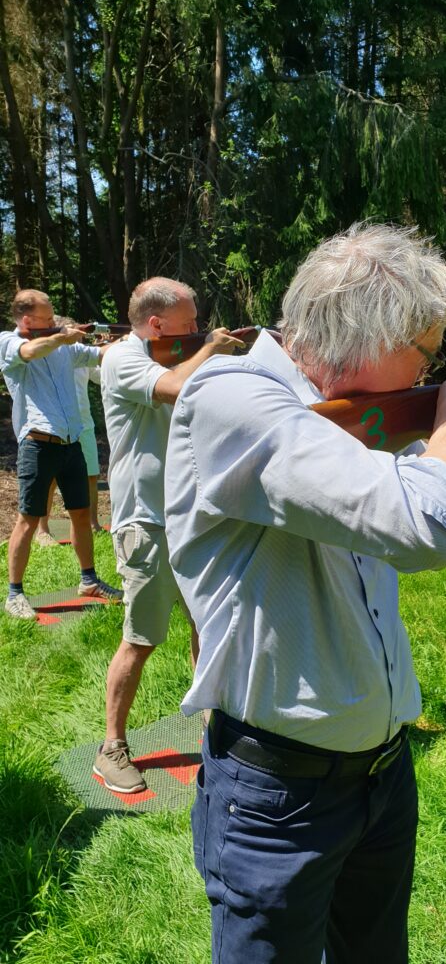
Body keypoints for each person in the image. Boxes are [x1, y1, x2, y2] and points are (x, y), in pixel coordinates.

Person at [163, 223, 446, 964]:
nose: (432, 366)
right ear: (365, 333)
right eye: (426, 351)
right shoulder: (233, 400)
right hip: (276, 795)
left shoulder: (336, 415)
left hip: (380, 777)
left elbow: (430, 485)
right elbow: (425, 527)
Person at [93, 277, 245, 794]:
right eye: (189, 320)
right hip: (146, 521)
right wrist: (208, 350)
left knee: (208, 628)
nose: (199, 326)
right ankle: (111, 747)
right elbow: (177, 387)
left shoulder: (172, 355)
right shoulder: (121, 358)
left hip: (188, 517)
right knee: (141, 638)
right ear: (156, 324)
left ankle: (214, 728)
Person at [0, 290, 122, 620]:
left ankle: (89, 581)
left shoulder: (62, 346)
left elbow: (100, 355)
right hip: (38, 445)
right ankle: (15, 593)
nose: (54, 322)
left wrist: (135, 339)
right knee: (27, 521)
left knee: (81, 514)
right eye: (48, 318)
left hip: (70, 445)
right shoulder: (10, 343)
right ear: (27, 320)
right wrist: (62, 337)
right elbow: (30, 350)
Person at [36, 316, 105, 545]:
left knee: (91, 476)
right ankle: (42, 530)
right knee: (51, 480)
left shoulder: (81, 353)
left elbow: (100, 376)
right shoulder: (46, 357)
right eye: (71, 331)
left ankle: (93, 524)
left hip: (84, 425)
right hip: (55, 427)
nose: (75, 335)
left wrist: (102, 348)